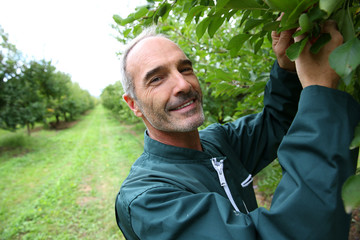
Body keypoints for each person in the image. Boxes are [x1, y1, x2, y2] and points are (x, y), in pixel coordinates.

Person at [115, 20, 360, 240]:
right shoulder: (149, 200)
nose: (182, 84)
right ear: (134, 104)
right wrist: (321, 93)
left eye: (185, 68)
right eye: (156, 79)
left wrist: (287, 68)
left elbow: (277, 122)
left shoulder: (219, 143)